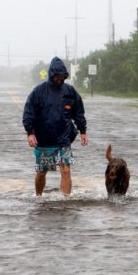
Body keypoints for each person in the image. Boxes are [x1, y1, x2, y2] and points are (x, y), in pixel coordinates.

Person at [23, 57, 88, 196]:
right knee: (41, 172)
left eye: (62, 76)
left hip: (64, 140)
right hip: (44, 141)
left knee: (66, 169)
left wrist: (83, 131)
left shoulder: (70, 91)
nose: (60, 79)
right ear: (52, 75)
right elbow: (29, 113)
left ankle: (66, 200)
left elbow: (78, 112)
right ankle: (38, 198)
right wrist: (30, 133)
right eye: (57, 76)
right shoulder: (39, 92)